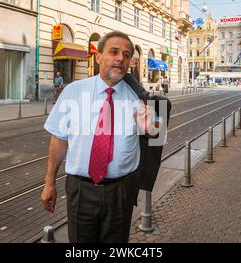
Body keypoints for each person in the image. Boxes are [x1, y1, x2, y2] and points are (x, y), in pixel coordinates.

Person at [40, 31, 163, 243]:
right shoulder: (73, 92)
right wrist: (49, 183)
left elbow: (157, 138)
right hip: (81, 190)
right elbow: (59, 140)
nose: (120, 59)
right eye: (113, 52)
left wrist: (150, 128)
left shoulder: (142, 98)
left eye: (126, 55)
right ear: (98, 57)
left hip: (121, 191)